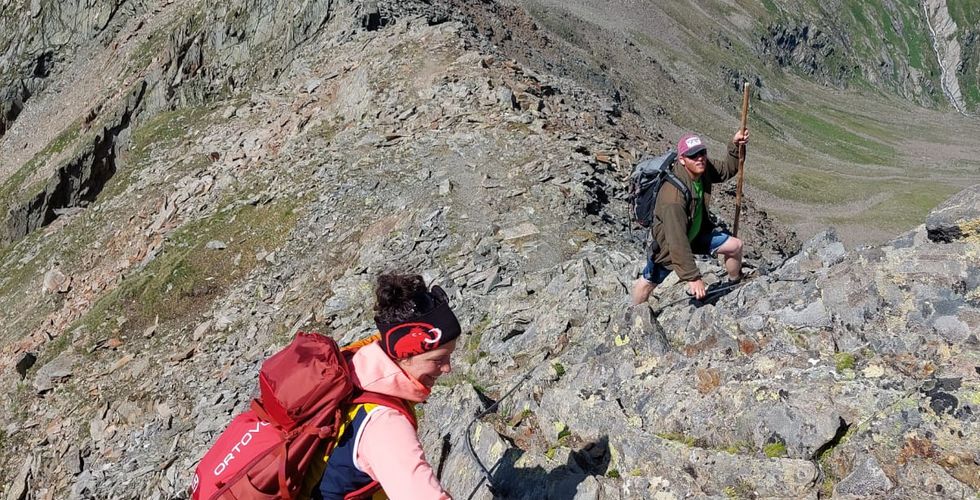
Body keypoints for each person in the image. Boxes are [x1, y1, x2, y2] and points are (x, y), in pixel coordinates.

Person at [309, 273, 457, 499]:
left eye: (449, 356)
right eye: (437, 360)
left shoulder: (358, 365)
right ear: (405, 355)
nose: (447, 368)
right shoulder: (384, 422)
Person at [630, 128, 749, 305]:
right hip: (669, 245)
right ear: (682, 160)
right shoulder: (673, 198)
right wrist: (693, 277)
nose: (699, 158)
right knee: (649, 281)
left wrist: (735, 145)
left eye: (702, 153)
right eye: (693, 155)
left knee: (735, 246)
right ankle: (634, 313)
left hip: (695, 232)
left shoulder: (702, 168)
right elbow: (676, 240)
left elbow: (727, 170)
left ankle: (734, 283)